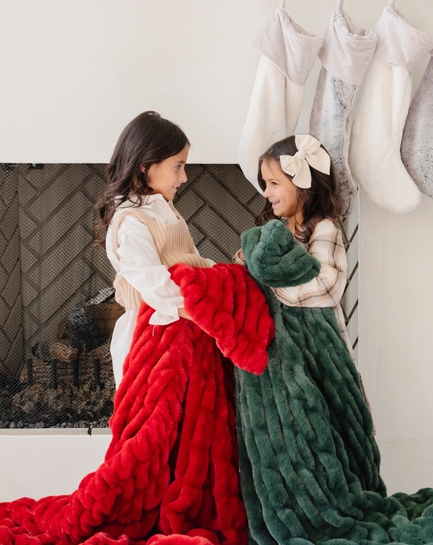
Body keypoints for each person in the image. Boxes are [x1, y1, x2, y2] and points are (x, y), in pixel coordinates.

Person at [93, 111, 213, 387]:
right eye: (178, 166)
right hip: (151, 336)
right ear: (147, 165)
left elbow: (194, 262)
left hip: (182, 329)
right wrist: (206, 314)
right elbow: (155, 283)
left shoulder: (164, 209)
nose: (183, 177)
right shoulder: (131, 222)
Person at [234, 134, 354, 359]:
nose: (266, 192)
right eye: (265, 184)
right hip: (284, 346)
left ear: (304, 186)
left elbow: (328, 289)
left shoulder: (324, 229)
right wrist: (245, 256)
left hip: (319, 351)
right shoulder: (277, 231)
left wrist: (271, 281)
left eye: (274, 183)